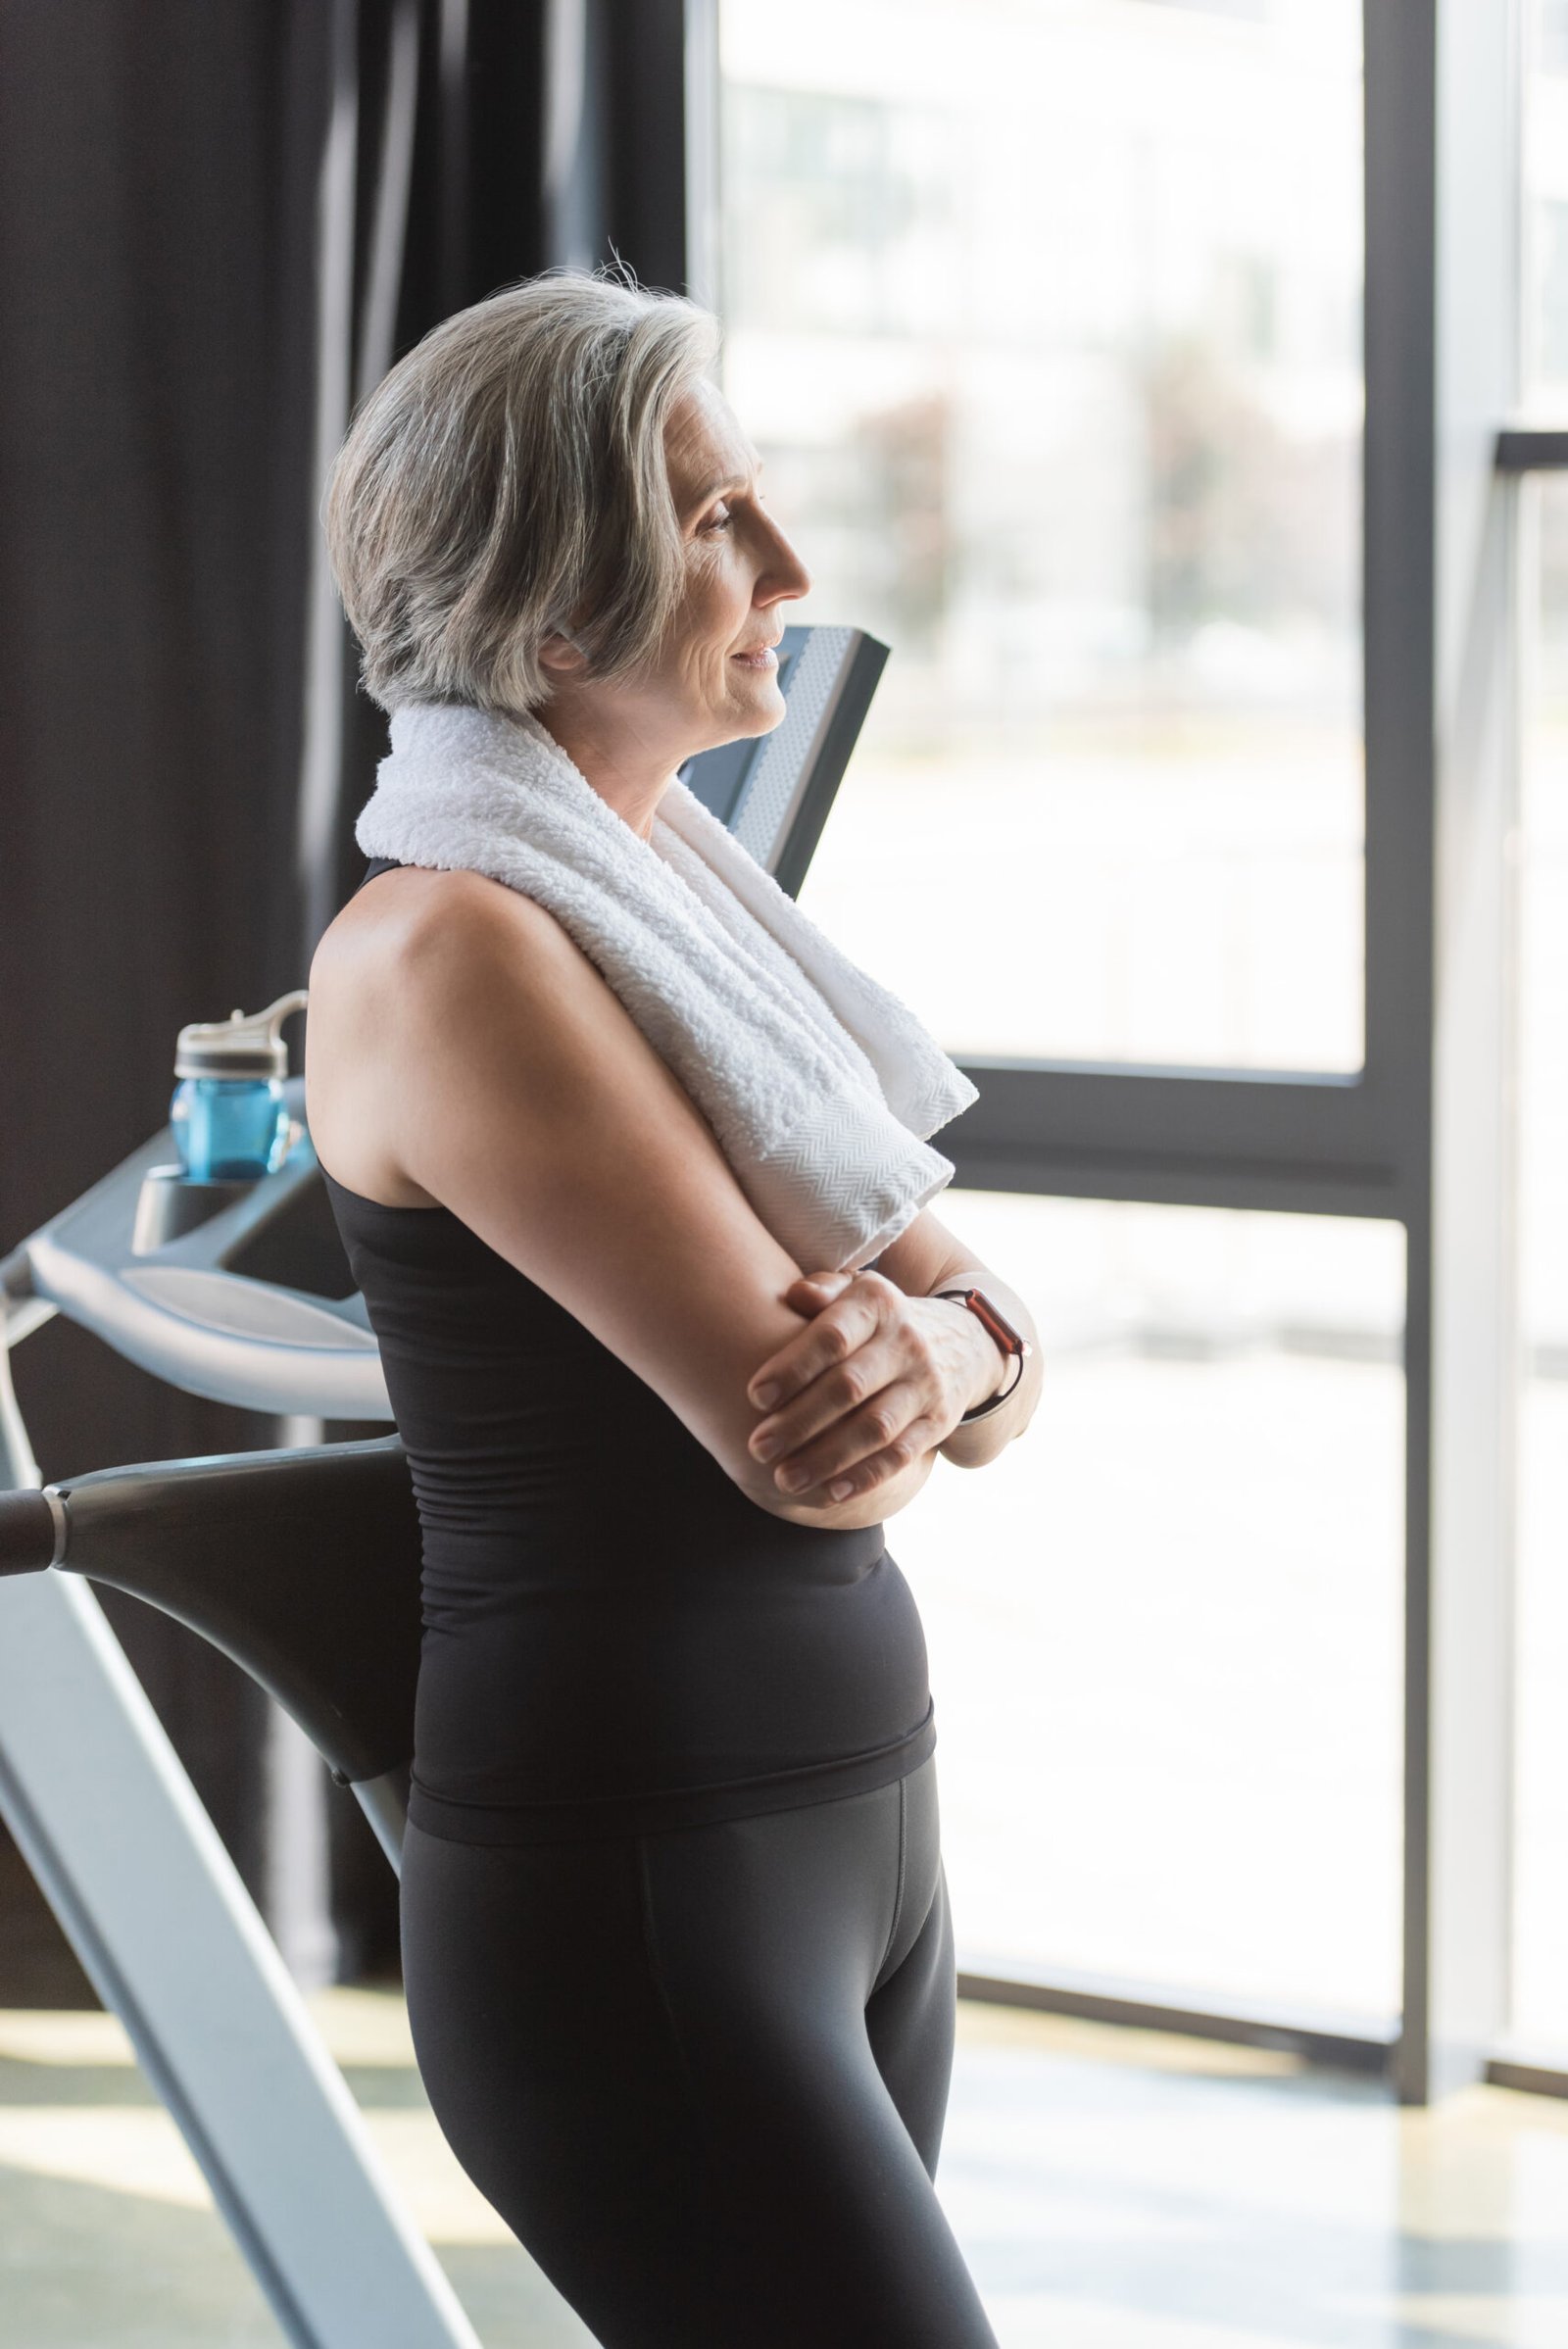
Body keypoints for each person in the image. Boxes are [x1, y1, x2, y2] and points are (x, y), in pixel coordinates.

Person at [305, 269, 1040, 2348]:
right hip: (651, 1881)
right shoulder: (449, 948)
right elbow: (816, 1445)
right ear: (546, 616)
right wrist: (948, 1346)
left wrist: (961, 1339)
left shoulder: (667, 908)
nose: (787, 563)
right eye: (711, 517)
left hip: (846, 1827)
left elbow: (985, 1356)